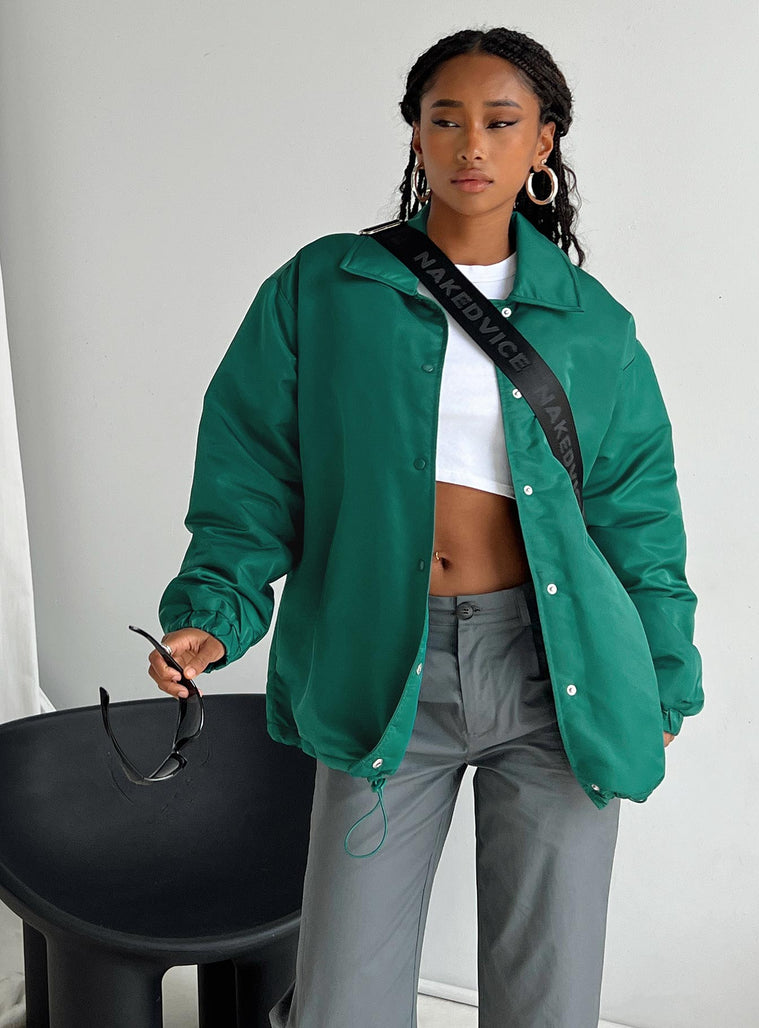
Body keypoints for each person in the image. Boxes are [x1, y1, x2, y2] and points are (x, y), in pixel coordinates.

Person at [147, 26, 704, 1028]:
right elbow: (252, 468)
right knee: (342, 999)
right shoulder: (327, 288)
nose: (470, 145)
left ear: (543, 142)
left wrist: (665, 673)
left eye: (501, 121)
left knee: (547, 998)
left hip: (559, 673)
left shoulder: (593, 324)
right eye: (445, 119)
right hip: (381, 663)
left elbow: (638, 516)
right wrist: (214, 612)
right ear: (415, 134)